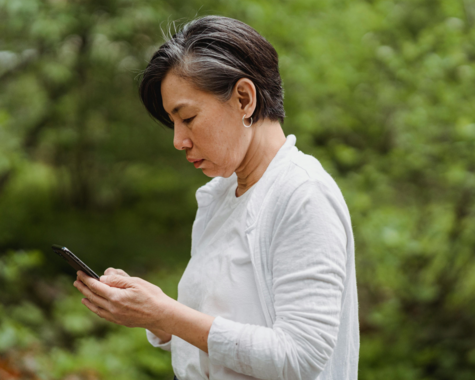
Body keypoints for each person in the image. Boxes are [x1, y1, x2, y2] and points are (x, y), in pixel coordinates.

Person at [73, 15, 359, 380]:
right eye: (173, 123)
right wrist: (153, 315)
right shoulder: (221, 196)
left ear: (244, 98)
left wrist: (166, 314)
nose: (178, 141)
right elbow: (221, 331)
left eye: (188, 118)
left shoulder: (302, 195)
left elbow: (299, 357)